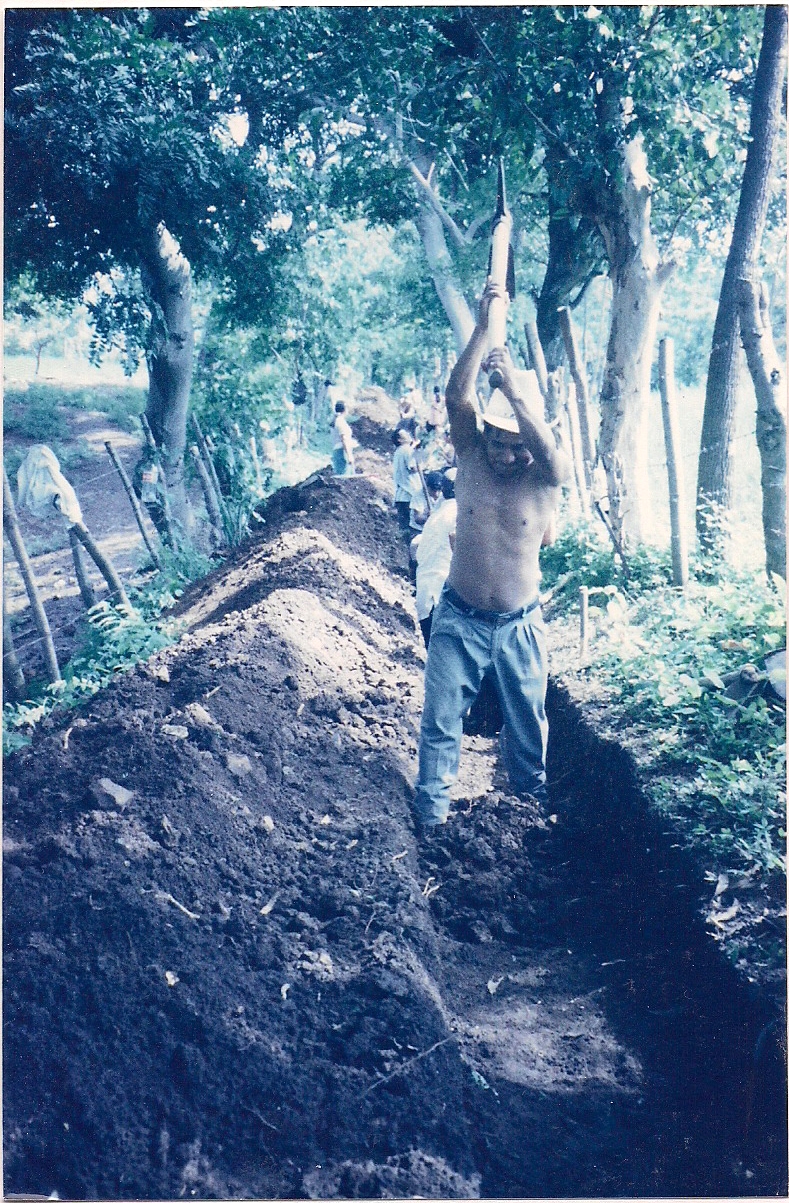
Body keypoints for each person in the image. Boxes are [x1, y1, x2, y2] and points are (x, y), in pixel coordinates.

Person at [412, 280, 571, 828]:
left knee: (527, 725)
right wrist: (482, 329)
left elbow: (554, 459)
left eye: (516, 444)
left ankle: (530, 819)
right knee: (440, 721)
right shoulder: (472, 454)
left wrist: (517, 393)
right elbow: (457, 398)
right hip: (459, 619)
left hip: (521, 626)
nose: (505, 454)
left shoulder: (545, 475)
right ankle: (430, 821)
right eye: (498, 441)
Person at [414, 471, 456, 648]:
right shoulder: (459, 514)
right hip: (441, 598)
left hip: (426, 595)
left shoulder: (436, 516)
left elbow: (416, 548)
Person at [392, 427, 420, 538]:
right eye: (405, 434)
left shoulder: (398, 451)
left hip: (401, 495)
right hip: (410, 493)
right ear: (399, 439)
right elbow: (413, 467)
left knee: (404, 529)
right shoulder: (407, 450)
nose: (408, 435)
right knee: (412, 528)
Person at [331, 401, 355, 476]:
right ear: (345, 409)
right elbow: (344, 439)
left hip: (338, 451)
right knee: (344, 476)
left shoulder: (337, 420)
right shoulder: (340, 421)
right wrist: (349, 455)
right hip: (342, 452)